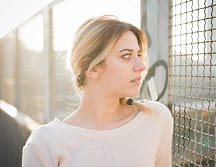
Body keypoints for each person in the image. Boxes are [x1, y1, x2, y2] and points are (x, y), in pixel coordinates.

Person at [22, 15, 173, 167]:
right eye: (126, 56)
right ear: (93, 68)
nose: (141, 65)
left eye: (138, 54)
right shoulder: (44, 144)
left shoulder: (156, 118)